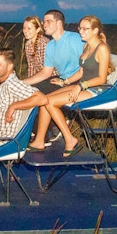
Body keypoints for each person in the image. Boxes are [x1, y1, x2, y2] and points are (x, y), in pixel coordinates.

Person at [27, 15, 112, 157]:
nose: (81, 32)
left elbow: (102, 78)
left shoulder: (101, 48)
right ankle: (40, 141)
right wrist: (64, 82)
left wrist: (80, 86)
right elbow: (81, 72)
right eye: (80, 28)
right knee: (45, 99)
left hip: (97, 90)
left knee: (51, 102)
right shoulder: (86, 46)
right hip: (83, 85)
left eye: (86, 29)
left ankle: (70, 139)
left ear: (95, 30)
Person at [23, 9, 83, 142]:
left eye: (49, 21)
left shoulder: (74, 38)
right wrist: (23, 83)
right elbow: (46, 73)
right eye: (44, 22)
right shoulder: (50, 46)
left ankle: (44, 136)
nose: (45, 24)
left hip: (77, 81)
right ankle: (35, 133)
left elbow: (87, 65)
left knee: (40, 97)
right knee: (30, 91)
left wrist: (67, 82)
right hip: (62, 80)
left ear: (59, 23)